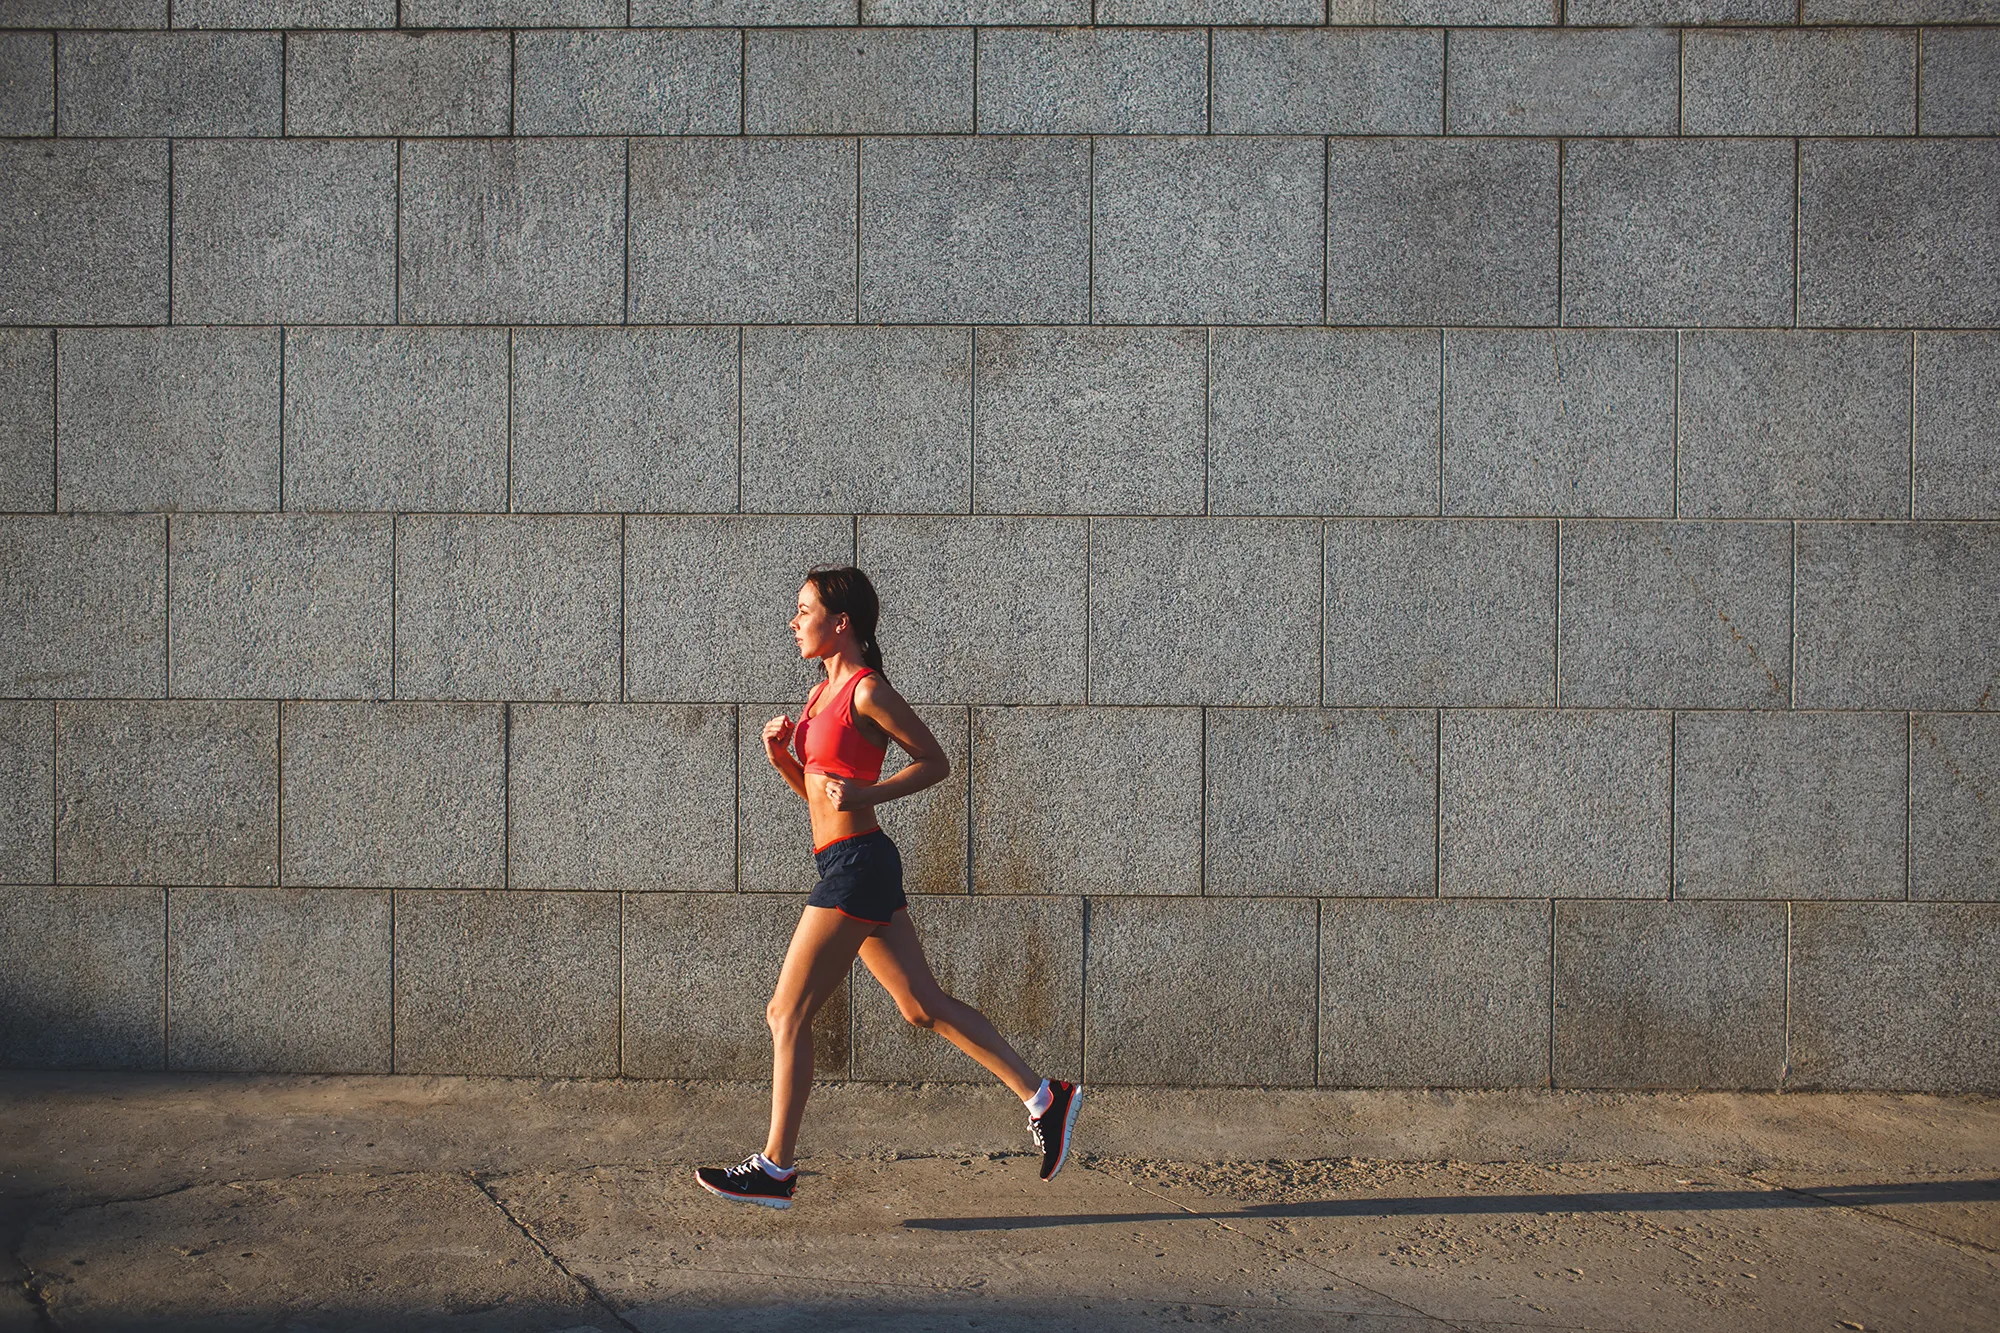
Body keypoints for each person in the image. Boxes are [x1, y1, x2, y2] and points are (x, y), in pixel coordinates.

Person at [695, 566, 1081, 1210]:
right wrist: (783, 761)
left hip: (859, 867)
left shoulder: (867, 691)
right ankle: (1046, 1096)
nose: (793, 622)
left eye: (803, 610)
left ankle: (776, 1169)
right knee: (921, 1006)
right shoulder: (820, 696)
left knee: (785, 1013)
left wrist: (873, 792)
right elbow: (822, 804)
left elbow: (936, 761)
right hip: (845, 860)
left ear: (840, 622)